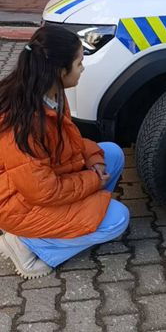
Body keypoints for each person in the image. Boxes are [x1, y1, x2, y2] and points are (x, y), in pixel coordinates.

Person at [0, 25, 130, 279]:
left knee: (111, 154)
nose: (82, 68)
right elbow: (42, 191)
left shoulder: (51, 93)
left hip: (43, 186)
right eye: (79, 62)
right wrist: (93, 180)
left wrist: (93, 159)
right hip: (18, 203)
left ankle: (79, 223)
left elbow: (70, 141)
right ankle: (26, 244)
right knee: (117, 220)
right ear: (61, 71)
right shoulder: (23, 124)